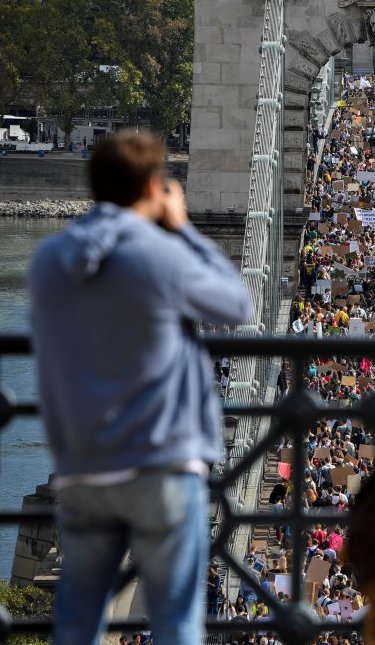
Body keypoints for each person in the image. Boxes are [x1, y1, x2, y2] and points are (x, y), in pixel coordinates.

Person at [29, 131, 252, 644]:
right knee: (176, 621)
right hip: (162, 465)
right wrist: (185, 229)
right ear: (155, 187)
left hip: (84, 466)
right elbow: (236, 306)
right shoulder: (160, 256)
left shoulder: (48, 260)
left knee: (79, 621)